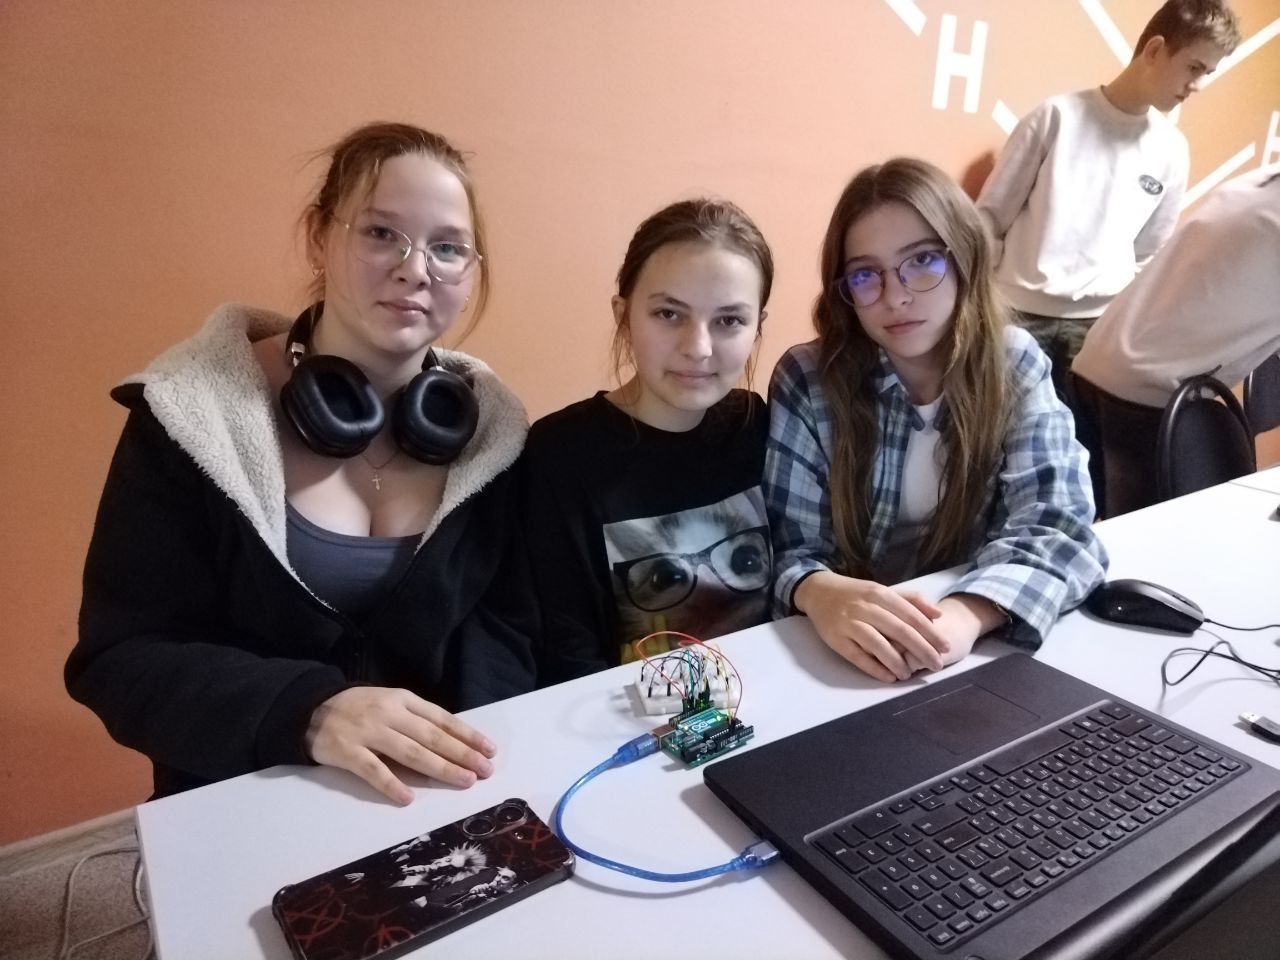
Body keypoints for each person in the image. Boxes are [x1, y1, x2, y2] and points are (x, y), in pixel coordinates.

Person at [66, 122, 536, 805]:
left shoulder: (494, 433)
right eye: (382, 233)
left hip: (430, 796)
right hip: (249, 799)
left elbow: (503, 629)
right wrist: (308, 710)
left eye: (447, 247)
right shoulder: (191, 413)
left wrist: (481, 764)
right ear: (320, 236)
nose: (415, 269)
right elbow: (121, 658)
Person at [766, 157, 1107, 685]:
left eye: (922, 260)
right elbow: (789, 549)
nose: (896, 296)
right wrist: (819, 591)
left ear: (964, 256)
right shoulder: (809, 379)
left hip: (970, 651)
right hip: (841, 659)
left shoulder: (1012, 364)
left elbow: (1058, 525)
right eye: (866, 275)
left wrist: (968, 614)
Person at [523, 199, 774, 684]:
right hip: (632, 717)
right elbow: (569, 651)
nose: (698, 348)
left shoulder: (756, 425)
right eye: (668, 313)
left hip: (773, 701)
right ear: (624, 314)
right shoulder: (561, 452)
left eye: (729, 320)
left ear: (757, 327)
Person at [976, 0, 1240, 397]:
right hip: (1015, 317)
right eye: (1194, 67)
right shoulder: (1055, 117)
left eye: (1208, 73)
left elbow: (1147, 254)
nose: (1198, 85)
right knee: (995, 430)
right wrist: (990, 306)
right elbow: (990, 218)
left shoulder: (1171, 150)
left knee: (1079, 436)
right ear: (1155, 49)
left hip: (1097, 328)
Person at [1070, 165, 1280, 518]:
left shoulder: (1260, 184)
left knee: (1106, 525)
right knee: (1150, 534)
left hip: (1100, 361)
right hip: (1148, 391)